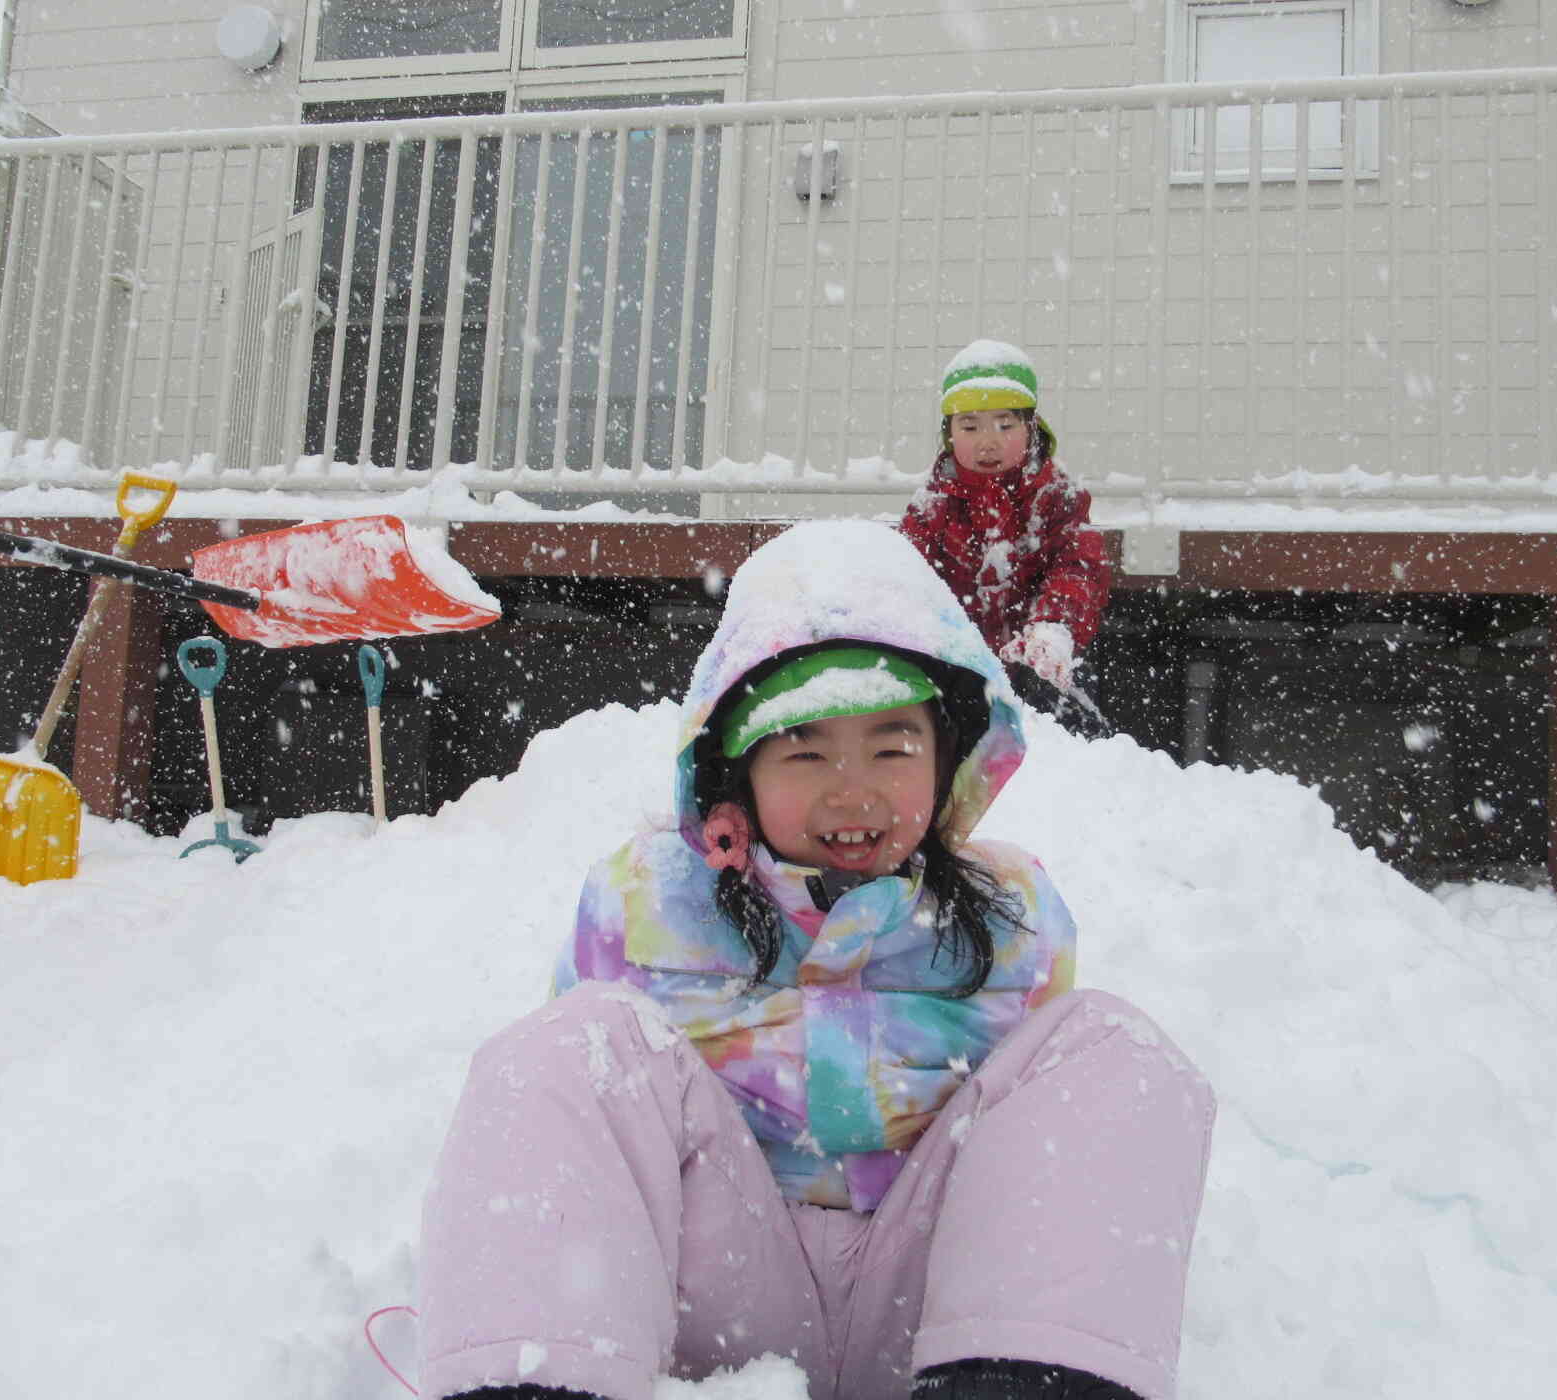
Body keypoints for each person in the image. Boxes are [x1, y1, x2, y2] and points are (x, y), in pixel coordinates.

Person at [418, 521, 1214, 1400]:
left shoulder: (1014, 917)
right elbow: (588, 1139)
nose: (853, 789)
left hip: (938, 1307)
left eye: (891, 747)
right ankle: (536, 1385)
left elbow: (1036, 1144)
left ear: (947, 762)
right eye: (805, 751)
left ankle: (1026, 1382)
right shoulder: (644, 903)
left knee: (1110, 1049)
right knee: (576, 1046)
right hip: (724, 1295)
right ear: (738, 771)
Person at [898, 340, 1114, 739]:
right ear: (950, 434)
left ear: (1030, 427)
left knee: (1061, 708)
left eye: (1004, 424)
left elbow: (1077, 565)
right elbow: (906, 576)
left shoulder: (1054, 494)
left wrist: (1053, 625)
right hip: (960, 661)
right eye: (970, 426)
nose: (988, 441)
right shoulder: (934, 503)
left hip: (1036, 656)